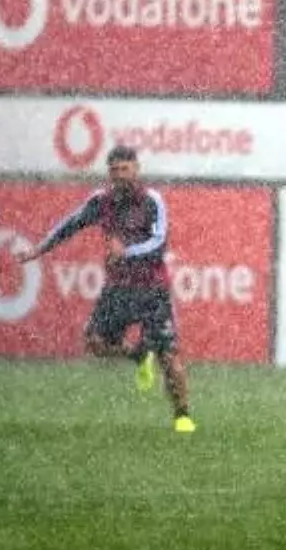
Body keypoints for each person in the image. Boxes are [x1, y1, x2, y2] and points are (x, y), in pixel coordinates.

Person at [16, 145, 195, 433]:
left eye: (125, 169)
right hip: (118, 288)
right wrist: (39, 249)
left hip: (152, 289)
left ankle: (183, 416)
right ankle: (138, 355)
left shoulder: (152, 200)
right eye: (114, 170)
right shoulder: (102, 201)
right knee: (95, 343)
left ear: (137, 169)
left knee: (169, 355)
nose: (119, 175)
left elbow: (159, 243)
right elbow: (70, 225)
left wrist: (127, 251)